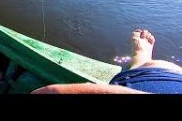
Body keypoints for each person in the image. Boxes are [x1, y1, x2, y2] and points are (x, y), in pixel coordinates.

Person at [31, 29, 182, 94]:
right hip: (171, 79)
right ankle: (141, 59)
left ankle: (140, 61)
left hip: (146, 80)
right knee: (157, 66)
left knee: (148, 66)